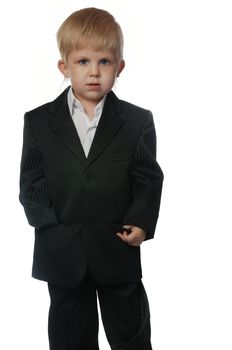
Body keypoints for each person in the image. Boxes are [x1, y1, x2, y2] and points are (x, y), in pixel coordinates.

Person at [19, 7, 163, 350]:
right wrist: (50, 226)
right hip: (62, 250)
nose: (94, 72)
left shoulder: (135, 121)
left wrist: (140, 223)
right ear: (64, 66)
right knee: (70, 335)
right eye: (83, 61)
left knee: (131, 332)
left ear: (120, 67)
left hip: (117, 245)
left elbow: (148, 177)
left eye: (104, 62)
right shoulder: (38, 121)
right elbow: (31, 181)